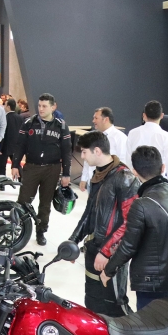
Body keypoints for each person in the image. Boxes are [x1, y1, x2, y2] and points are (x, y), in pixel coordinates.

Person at [101, 146, 168, 310]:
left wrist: (108, 270)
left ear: (135, 172)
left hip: (151, 284)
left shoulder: (141, 204)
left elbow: (128, 246)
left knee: (149, 324)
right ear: (162, 168)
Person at [69, 131, 138, 317]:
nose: (82, 157)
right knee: (92, 301)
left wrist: (107, 252)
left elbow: (130, 222)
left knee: (114, 304)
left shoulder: (125, 177)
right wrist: (73, 240)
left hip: (112, 254)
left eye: (84, 152)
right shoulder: (98, 175)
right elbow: (89, 213)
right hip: (94, 248)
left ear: (97, 151)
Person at [11, 93, 72, 246]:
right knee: (23, 201)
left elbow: (66, 151)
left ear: (53, 107)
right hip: (32, 167)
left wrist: (66, 173)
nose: (41, 109)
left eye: (44, 106)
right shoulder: (28, 123)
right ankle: (18, 229)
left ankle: (41, 231)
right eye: (39, 105)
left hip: (52, 169)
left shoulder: (61, 126)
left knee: (45, 204)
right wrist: (15, 165)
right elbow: (20, 145)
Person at [126, 101, 168, 185]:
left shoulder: (132, 133)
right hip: (158, 183)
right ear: (162, 116)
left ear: (144, 115)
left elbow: (128, 159)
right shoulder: (166, 136)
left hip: (136, 182)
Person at [80, 107, 129, 192]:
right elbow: (87, 157)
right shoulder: (93, 136)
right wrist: (84, 178)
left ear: (106, 119)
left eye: (96, 118)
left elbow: (123, 161)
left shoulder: (120, 138)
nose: (93, 121)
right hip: (92, 181)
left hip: (109, 184)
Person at [0, 99, 23, 176]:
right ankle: (21, 179)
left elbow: (3, 133)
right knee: (16, 164)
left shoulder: (5, 118)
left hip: (5, 146)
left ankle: (1, 181)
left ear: (8, 106)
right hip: (16, 145)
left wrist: (0, 148)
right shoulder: (20, 118)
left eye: (5, 105)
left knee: (2, 166)